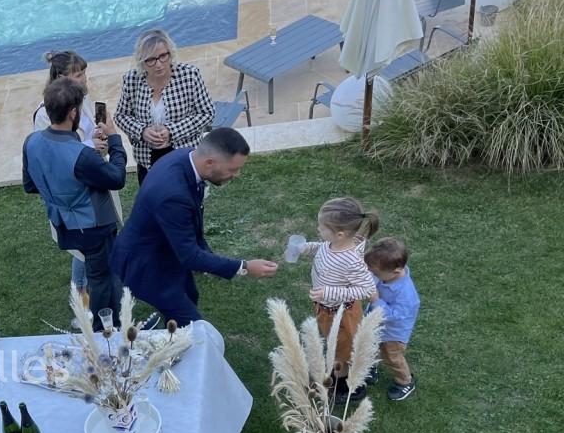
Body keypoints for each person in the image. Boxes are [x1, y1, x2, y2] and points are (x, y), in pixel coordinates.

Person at [110, 128, 277, 326]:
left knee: (190, 294)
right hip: (146, 264)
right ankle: (173, 347)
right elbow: (190, 256)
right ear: (210, 163)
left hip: (166, 249)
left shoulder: (187, 157)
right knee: (193, 328)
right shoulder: (173, 195)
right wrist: (245, 267)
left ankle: (171, 340)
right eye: (232, 169)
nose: (237, 175)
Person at [22, 76, 128, 330]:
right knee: (101, 278)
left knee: (102, 273)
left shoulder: (31, 142)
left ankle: (110, 320)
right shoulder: (82, 155)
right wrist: (114, 140)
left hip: (63, 224)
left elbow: (30, 185)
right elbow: (117, 178)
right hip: (93, 226)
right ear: (72, 113)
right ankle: (105, 331)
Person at [31, 51, 111, 323]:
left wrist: (101, 136)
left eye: (83, 72)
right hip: (73, 197)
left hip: (95, 185)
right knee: (82, 252)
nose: (84, 79)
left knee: (96, 247)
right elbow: (55, 154)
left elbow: (85, 137)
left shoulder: (85, 100)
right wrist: (91, 147)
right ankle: (81, 302)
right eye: (77, 75)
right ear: (60, 79)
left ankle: (95, 294)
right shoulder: (44, 115)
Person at [293, 198, 380, 403]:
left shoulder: (351, 259)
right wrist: (305, 248)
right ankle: (340, 372)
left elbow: (369, 291)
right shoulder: (334, 244)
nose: (318, 229)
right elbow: (323, 248)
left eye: (322, 227)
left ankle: (345, 385)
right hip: (327, 307)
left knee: (342, 349)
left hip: (341, 313)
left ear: (340, 234)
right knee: (337, 345)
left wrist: (329, 293)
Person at [114, 29, 216, 184]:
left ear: (170, 53)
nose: (159, 64)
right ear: (142, 61)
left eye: (163, 56)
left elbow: (207, 112)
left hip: (185, 156)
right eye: (151, 60)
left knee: (186, 204)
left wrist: (172, 131)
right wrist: (142, 131)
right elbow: (121, 116)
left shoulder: (189, 75)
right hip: (147, 158)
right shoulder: (132, 80)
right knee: (153, 204)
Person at [364, 238, 420, 402]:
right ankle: (371, 368)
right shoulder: (386, 275)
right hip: (375, 324)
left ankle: (405, 381)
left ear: (396, 271)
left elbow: (394, 316)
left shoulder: (407, 296)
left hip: (393, 334)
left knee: (392, 357)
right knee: (370, 345)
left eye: (375, 273)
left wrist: (376, 301)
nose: (373, 275)